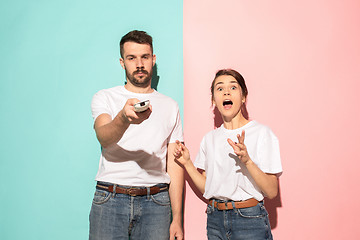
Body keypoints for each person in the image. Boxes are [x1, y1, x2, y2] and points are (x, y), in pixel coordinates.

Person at [89, 30, 184, 240]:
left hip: (156, 202)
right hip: (110, 198)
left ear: (153, 60)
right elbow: (103, 136)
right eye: (132, 58)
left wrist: (177, 218)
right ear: (122, 62)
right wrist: (123, 117)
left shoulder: (170, 106)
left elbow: (175, 164)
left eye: (145, 57)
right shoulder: (105, 97)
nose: (139, 64)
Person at [174, 69, 282, 240]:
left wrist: (247, 161)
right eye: (219, 88)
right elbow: (208, 187)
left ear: (243, 96)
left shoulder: (262, 133)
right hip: (215, 219)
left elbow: (271, 191)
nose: (226, 91)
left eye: (233, 87)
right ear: (213, 100)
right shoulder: (210, 139)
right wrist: (187, 163)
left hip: (249, 220)